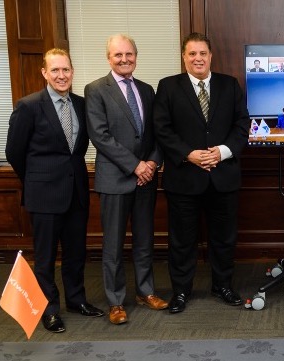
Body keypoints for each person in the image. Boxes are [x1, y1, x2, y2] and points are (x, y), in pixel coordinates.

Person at [5, 48, 105, 333]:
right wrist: (36, 179)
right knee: (46, 257)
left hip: (76, 192)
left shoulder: (82, 104)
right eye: (55, 70)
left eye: (66, 70)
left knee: (76, 252)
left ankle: (76, 300)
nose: (61, 76)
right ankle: (48, 309)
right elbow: (14, 152)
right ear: (44, 73)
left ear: (72, 72)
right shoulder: (29, 105)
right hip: (44, 194)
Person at [153, 32, 250, 313]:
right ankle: (181, 292)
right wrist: (189, 154)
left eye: (203, 53)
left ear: (211, 56)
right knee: (182, 241)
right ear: (184, 57)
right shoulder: (168, 87)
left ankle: (223, 286)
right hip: (184, 177)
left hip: (224, 176)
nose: (198, 58)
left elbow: (242, 125)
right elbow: (162, 129)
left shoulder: (229, 85)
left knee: (224, 238)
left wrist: (221, 151)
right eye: (192, 54)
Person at [85, 34, 167, 325]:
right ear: (108, 57)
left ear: (136, 56)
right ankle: (116, 301)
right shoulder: (95, 90)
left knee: (145, 241)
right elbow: (100, 136)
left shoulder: (146, 90)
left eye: (129, 54)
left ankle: (146, 291)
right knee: (114, 245)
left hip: (145, 179)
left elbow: (157, 134)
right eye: (118, 55)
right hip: (116, 179)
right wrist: (136, 166)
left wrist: (153, 163)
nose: (124, 59)